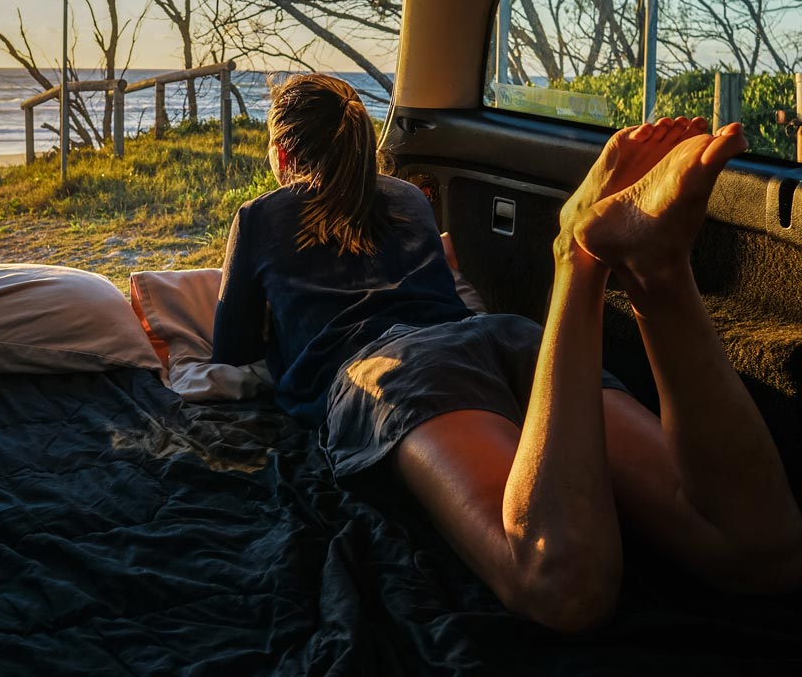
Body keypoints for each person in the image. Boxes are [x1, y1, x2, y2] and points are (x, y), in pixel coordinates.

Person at [212, 73, 802, 633]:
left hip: (402, 371)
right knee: (759, 552)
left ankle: (577, 255)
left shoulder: (260, 216)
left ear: (282, 156)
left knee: (557, 579)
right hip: (504, 335)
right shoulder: (410, 199)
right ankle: (661, 274)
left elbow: (230, 346)